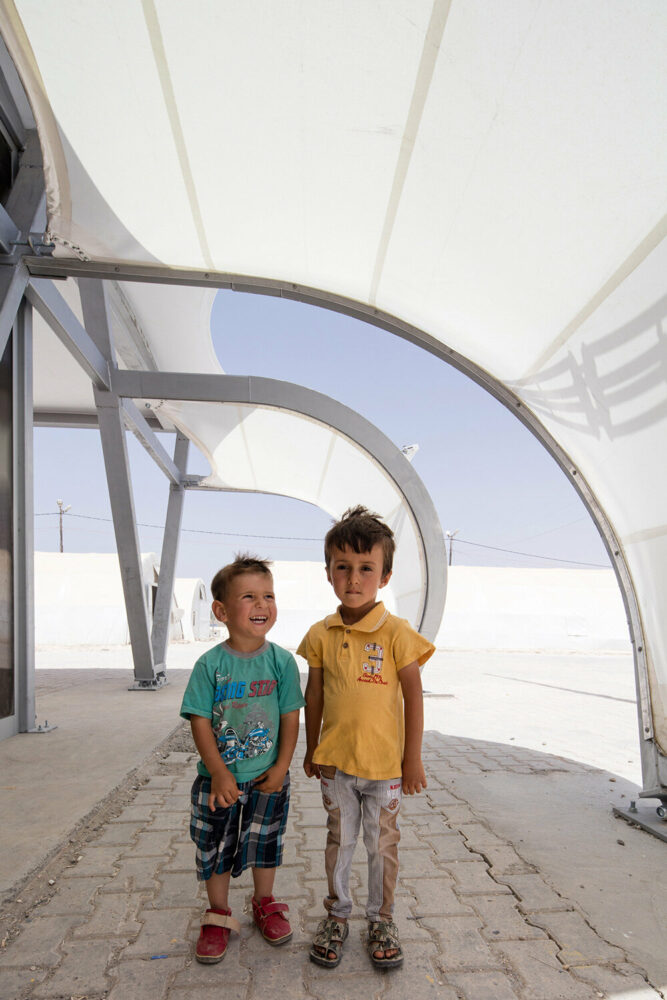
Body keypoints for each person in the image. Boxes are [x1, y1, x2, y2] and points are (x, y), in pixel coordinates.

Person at [298, 506, 435, 971]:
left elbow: (413, 696)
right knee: (340, 842)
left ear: (385, 576)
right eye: (343, 567)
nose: (353, 579)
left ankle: (381, 919)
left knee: (382, 847)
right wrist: (312, 748)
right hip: (335, 765)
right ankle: (337, 915)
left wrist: (412, 759)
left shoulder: (398, 633)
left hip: (385, 770)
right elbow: (314, 694)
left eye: (365, 568)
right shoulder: (320, 634)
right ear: (328, 572)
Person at [180, 554, 305, 964]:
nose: (262, 604)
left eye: (268, 595)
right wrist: (218, 772)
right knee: (215, 848)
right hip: (218, 783)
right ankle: (218, 914)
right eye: (249, 596)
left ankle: (263, 902)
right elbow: (199, 721)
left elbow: (290, 717)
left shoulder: (282, 662)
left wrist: (282, 767)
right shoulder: (210, 665)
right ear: (221, 611)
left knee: (265, 843)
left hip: (268, 778)